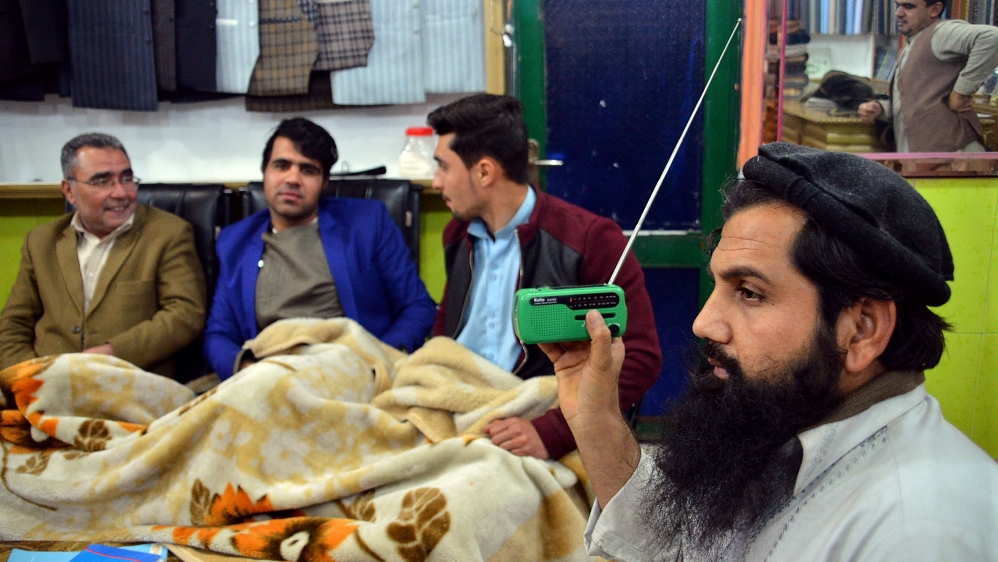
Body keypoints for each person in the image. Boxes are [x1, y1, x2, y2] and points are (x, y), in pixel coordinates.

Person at [544, 142, 998, 561]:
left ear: (861, 330)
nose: (704, 323)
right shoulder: (786, 418)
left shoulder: (918, 532)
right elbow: (680, 547)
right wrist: (597, 419)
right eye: (719, 284)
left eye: (750, 293)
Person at [428, 94, 662, 461]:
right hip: (453, 403)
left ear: (485, 172)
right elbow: (448, 328)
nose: (436, 181)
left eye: (443, 167)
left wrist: (553, 431)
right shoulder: (456, 236)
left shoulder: (589, 240)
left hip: (533, 418)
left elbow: (640, 358)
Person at [204, 117, 436, 380]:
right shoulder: (235, 241)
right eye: (282, 166)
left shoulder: (367, 224)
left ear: (324, 182)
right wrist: (248, 370)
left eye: (308, 170)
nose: (292, 178)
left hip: (350, 373)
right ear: (265, 173)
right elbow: (219, 333)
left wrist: (379, 364)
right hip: (269, 375)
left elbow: (417, 307)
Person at [0, 133, 207, 379]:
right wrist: (29, 376)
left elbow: (185, 314)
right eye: (102, 181)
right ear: (69, 191)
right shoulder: (42, 241)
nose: (121, 193)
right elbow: (13, 324)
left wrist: (111, 354)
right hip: (42, 383)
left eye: (127, 178)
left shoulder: (167, 234)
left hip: (127, 382)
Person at [857, 0, 998, 152]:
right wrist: (881, 109)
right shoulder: (913, 42)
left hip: (952, 158)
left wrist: (961, 91)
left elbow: (992, 37)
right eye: (898, 6)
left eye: (909, 7)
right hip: (927, 158)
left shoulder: (941, 32)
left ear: (934, 10)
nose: (899, 13)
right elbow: (919, 97)